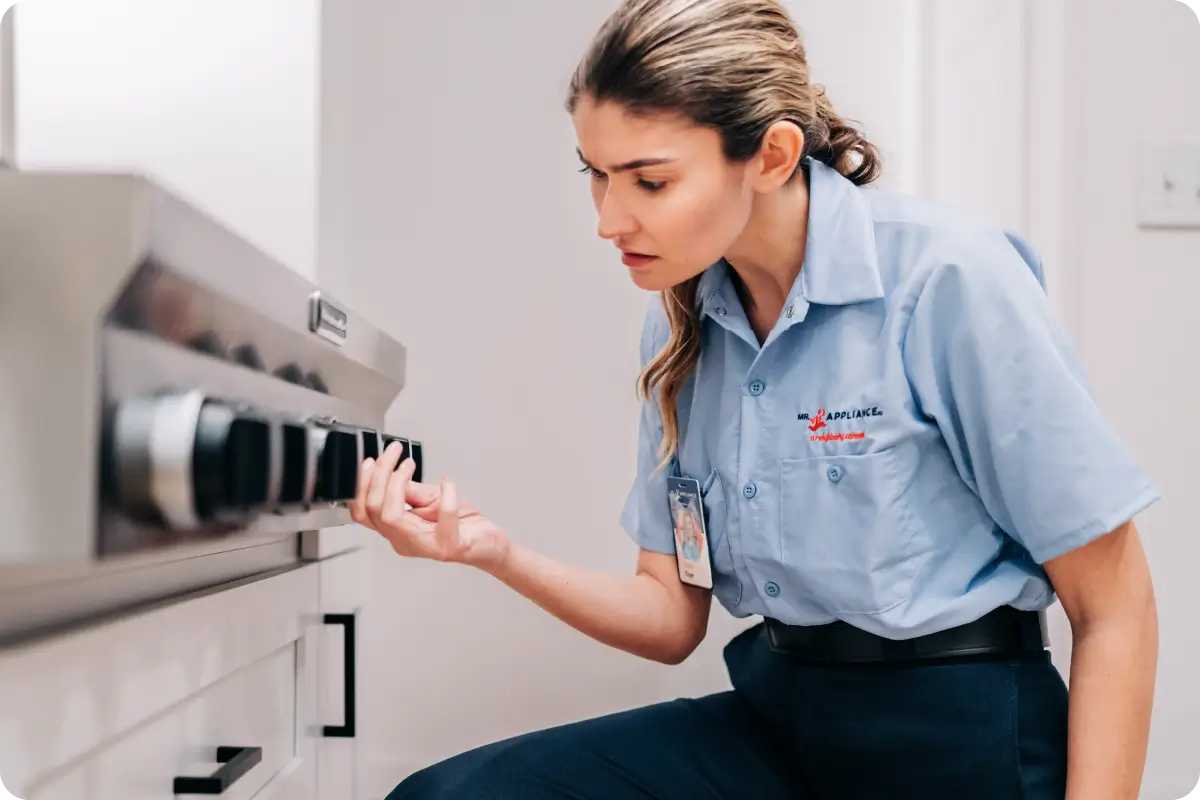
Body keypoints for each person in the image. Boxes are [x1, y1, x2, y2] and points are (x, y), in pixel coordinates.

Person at [352, 1, 1161, 797]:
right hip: (781, 719)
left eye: (649, 180)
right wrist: (490, 551)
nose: (608, 218)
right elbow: (671, 619)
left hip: (958, 737)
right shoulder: (682, 326)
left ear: (771, 156)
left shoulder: (947, 279)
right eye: (596, 175)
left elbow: (1115, 606)